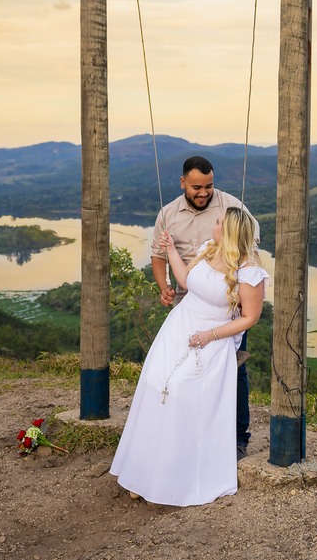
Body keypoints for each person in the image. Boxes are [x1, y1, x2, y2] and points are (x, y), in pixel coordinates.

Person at [110, 207, 268, 506]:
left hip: (211, 338)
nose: (215, 224)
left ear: (231, 232)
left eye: (219, 222)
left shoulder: (249, 271)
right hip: (177, 329)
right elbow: (185, 281)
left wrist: (211, 336)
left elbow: (250, 318)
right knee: (156, 386)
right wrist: (169, 249)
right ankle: (144, 472)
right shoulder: (209, 249)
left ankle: (176, 477)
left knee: (183, 395)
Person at [150, 155, 260, 459]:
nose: (204, 192)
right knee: (183, 374)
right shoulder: (168, 213)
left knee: (233, 372)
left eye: (209, 186)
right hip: (189, 302)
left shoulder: (230, 207)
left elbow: (250, 244)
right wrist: (164, 287)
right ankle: (186, 434)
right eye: (197, 187)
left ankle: (237, 437)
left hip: (226, 310)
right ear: (183, 182)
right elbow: (160, 256)